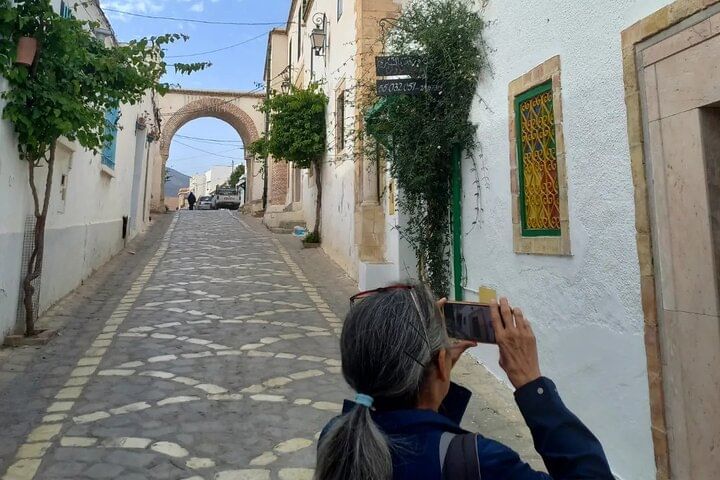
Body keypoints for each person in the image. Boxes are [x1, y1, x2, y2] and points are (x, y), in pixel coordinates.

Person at [316, 284, 614, 480]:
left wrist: (436, 374)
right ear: (440, 364)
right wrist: (531, 384)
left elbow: (421, 438)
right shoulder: (484, 463)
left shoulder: (338, 437)